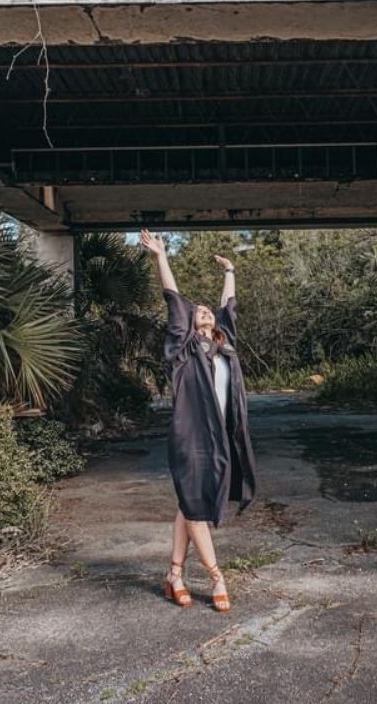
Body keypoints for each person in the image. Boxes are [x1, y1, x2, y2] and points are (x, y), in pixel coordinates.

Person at [140, 229, 256, 613]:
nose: (204, 312)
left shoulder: (224, 350)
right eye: (198, 311)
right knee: (196, 505)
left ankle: (175, 573)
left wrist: (230, 272)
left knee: (188, 504)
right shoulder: (184, 349)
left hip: (221, 435)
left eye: (208, 311)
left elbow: (229, 310)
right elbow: (173, 300)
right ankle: (215, 575)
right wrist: (161, 258)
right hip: (191, 436)